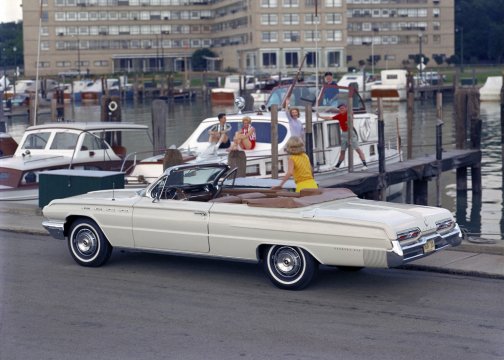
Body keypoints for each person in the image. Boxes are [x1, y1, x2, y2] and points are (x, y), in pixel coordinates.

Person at [317, 103, 368, 170]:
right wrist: (320, 117)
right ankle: (337, 166)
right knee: (342, 151)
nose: (341, 110)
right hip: (344, 133)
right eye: (340, 109)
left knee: (357, 149)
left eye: (342, 108)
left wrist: (349, 118)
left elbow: (351, 114)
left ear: (346, 108)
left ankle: (365, 165)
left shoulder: (349, 114)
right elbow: (329, 118)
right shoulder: (339, 115)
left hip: (351, 133)